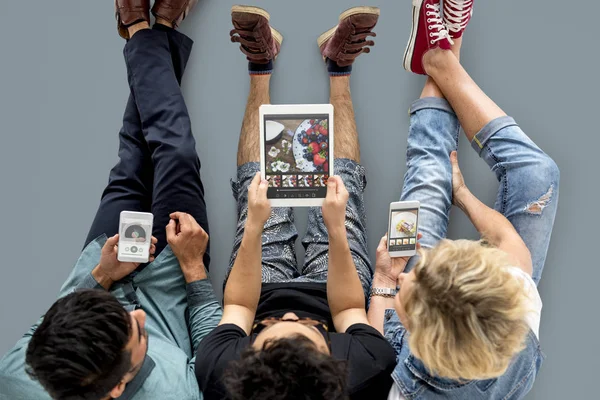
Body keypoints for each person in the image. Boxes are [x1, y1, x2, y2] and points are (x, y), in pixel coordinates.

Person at [0, 1, 222, 399]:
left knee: (135, 147)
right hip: (177, 267)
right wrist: (194, 270)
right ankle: (147, 29)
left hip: (108, 254)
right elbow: (210, 355)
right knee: (175, 152)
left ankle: (144, 27)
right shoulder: (175, 394)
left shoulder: (15, 379)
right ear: (118, 387)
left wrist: (100, 277)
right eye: (137, 331)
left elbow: (45, 328)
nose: (135, 314)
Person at [194, 5, 396, 400]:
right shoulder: (368, 365)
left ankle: (260, 67)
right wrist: (336, 229)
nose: (289, 316)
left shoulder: (221, 370)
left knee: (258, 183)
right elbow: (347, 314)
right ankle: (339, 69)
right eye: (302, 328)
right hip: (332, 293)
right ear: (333, 361)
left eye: (275, 330)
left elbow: (237, 303)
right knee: (344, 187)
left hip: (258, 292)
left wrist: (253, 225)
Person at [367, 0, 559, 399]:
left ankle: (442, 51)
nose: (408, 273)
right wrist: (464, 194)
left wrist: (386, 281)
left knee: (429, 178)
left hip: (431, 342)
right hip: (455, 328)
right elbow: (509, 242)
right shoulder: (513, 308)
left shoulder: (406, 392)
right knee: (541, 174)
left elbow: (377, 349)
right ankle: (440, 56)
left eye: (411, 280)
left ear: (416, 338)